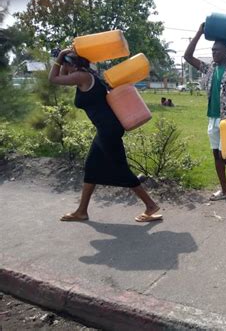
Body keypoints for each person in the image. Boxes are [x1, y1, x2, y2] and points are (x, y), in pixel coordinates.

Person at [48, 49, 161, 223]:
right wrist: (64, 60)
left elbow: (53, 79)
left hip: (108, 130)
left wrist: (60, 56)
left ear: (72, 64)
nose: (64, 68)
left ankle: (150, 206)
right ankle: (82, 211)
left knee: (121, 169)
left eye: (66, 65)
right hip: (106, 129)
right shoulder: (86, 75)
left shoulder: (81, 77)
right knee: (91, 167)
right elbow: (62, 76)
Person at [184, 23, 226, 201]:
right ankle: (225, 190)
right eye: (212, 51)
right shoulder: (210, 68)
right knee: (216, 155)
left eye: (217, 51)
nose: (214, 53)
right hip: (212, 118)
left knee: (224, 154)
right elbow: (187, 56)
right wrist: (198, 33)